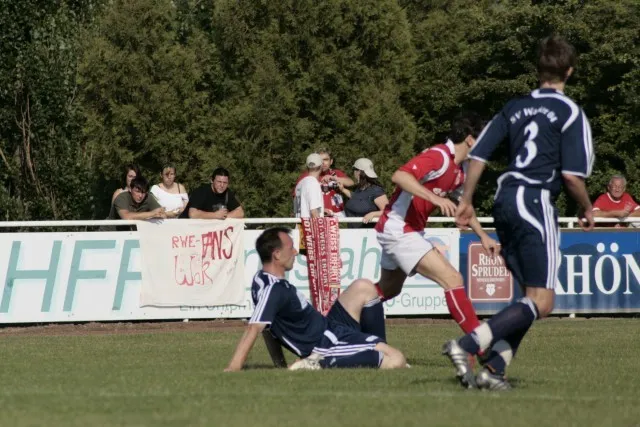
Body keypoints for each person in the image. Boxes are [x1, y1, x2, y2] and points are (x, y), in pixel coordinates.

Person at [443, 35, 595, 391]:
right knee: (543, 300)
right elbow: (572, 176)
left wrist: (467, 199)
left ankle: (493, 371)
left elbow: (478, 154)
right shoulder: (570, 111)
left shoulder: (515, 107)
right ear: (569, 71)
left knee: (530, 298)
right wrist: (587, 207)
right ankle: (467, 345)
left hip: (504, 200)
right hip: (534, 200)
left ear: (538, 70)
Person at [370, 113, 499, 345]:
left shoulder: (461, 171)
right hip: (399, 228)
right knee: (452, 278)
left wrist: (483, 236)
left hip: (406, 230)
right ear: (470, 139)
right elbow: (399, 176)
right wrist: (436, 198)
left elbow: (464, 207)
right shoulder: (439, 156)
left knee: (388, 290)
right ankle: (480, 345)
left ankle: (340, 315)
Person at [224, 227, 407, 372]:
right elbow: (255, 327)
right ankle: (318, 363)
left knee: (364, 287)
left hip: (328, 326)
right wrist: (233, 368)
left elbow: (267, 327)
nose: (296, 252)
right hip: (326, 343)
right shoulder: (274, 289)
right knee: (396, 359)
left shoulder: (260, 280)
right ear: (277, 254)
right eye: (291, 248)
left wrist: (279, 366)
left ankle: (376, 347)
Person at [293, 148, 354, 217]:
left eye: (326, 160)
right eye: (320, 160)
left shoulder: (335, 173)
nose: (323, 162)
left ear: (331, 161)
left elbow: (351, 183)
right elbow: (296, 198)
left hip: (337, 216)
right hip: (318, 215)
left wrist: (334, 178)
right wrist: (319, 211)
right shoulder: (307, 176)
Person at [338, 158, 389, 228]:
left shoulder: (376, 190)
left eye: (354, 169)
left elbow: (388, 211)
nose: (354, 172)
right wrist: (343, 189)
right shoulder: (361, 187)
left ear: (358, 172)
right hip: (353, 232)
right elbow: (357, 197)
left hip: (368, 233)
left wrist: (373, 214)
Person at [293, 153, 324, 218]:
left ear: (307, 167)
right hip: (310, 224)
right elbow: (314, 212)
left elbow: (297, 209)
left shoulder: (300, 184)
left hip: (300, 224)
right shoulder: (313, 183)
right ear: (321, 166)